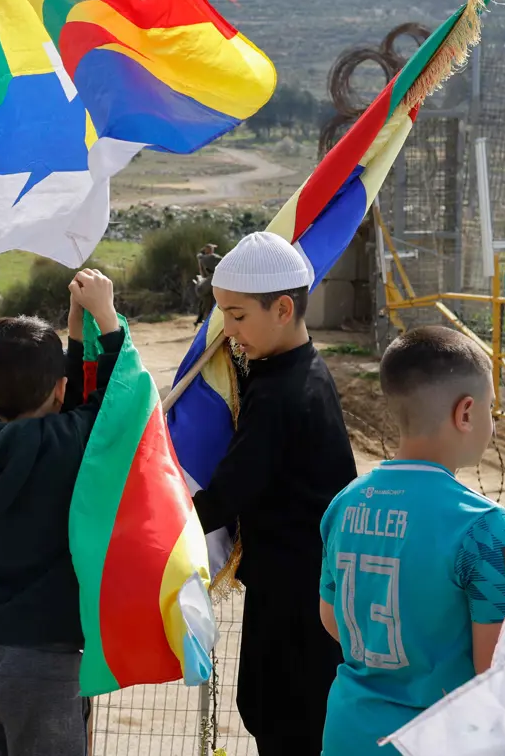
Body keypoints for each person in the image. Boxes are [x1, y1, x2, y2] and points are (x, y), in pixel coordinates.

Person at [318, 326, 505, 752]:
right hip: (436, 740)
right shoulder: (486, 526)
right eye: (491, 409)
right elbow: (497, 666)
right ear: (466, 413)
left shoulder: (344, 503)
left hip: (348, 731)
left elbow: (332, 617)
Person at [0, 268, 126, 756]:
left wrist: (72, 331)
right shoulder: (66, 445)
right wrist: (104, 321)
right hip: (46, 664)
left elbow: (68, 401)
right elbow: (109, 404)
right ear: (61, 390)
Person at [193, 231, 357, 756]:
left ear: (283, 308)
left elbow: (229, 492)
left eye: (237, 317)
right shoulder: (297, 371)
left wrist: (156, 523)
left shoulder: (283, 393)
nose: (228, 332)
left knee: (285, 722)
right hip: (309, 595)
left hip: (296, 610)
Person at [193, 243, 222, 326]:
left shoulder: (204, 258)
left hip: (211, 280)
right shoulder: (215, 257)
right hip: (217, 281)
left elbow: (202, 274)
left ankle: (203, 317)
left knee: (202, 292)